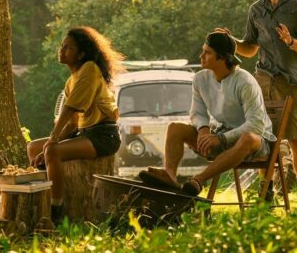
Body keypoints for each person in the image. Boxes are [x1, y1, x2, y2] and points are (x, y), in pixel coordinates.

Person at [215, 0, 297, 208]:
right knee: (263, 137)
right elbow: (250, 49)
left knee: (295, 139)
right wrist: (232, 42)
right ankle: (266, 197)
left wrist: (291, 42)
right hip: (262, 81)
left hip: (290, 83)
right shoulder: (256, 9)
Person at [138, 32, 276, 197]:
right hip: (220, 136)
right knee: (175, 128)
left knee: (248, 137)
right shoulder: (200, 79)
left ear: (223, 58)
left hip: (254, 144)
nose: (201, 56)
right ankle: (170, 176)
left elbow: (255, 125)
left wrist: (220, 138)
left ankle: (197, 181)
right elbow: (197, 112)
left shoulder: (245, 81)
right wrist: (203, 130)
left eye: (207, 52)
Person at [27, 26, 123, 222]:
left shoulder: (89, 69)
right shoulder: (71, 81)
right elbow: (72, 125)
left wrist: (52, 142)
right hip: (84, 134)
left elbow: (71, 108)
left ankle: (55, 210)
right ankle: (43, 196)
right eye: (62, 46)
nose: (61, 50)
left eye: (68, 48)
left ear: (81, 54)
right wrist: (48, 145)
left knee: (52, 151)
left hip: (104, 136)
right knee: (33, 147)